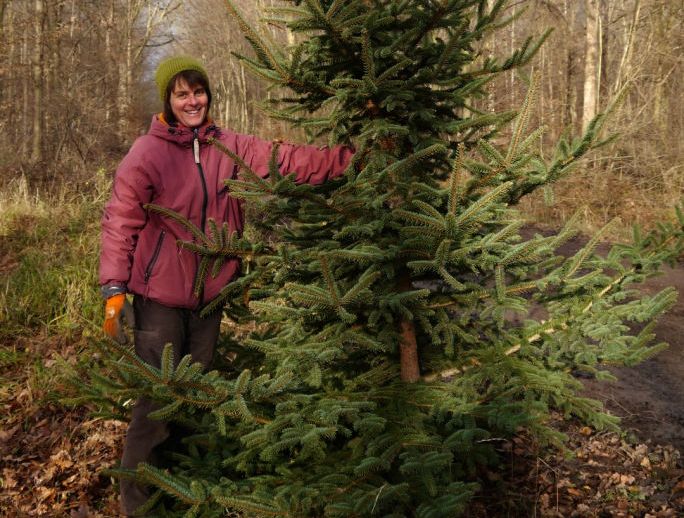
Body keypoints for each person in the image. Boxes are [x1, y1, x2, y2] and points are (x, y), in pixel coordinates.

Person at [99, 55, 353, 515]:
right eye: (182, 94)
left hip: (210, 298)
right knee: (155, 404)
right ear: (168, 101)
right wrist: (114, 287)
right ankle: (138, 505)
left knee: (196, 397)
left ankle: (184, 491)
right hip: (159, 299)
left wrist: (347, 159)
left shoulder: (228, 145)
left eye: (198, 92)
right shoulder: (147, 154)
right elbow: (120, 221)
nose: (192, 101)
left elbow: (284, 159)